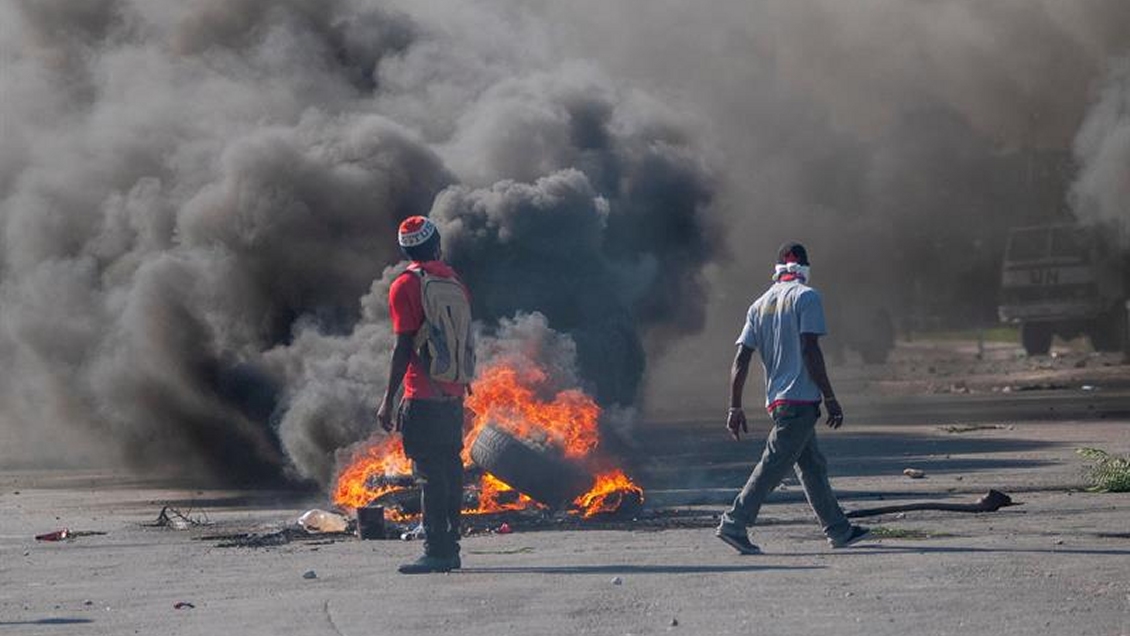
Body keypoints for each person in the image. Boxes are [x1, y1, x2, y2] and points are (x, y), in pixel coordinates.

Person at [716, 242, 870, 554]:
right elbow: (810, 349)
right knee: (773, 465)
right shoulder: (807, 297)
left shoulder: (758, 305)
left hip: (779, 402)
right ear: (805, 268)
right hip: (800, 402)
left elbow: (741, 360)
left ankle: (838, 530)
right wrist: (829, 396)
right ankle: (735, 522)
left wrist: (735, 406)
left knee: (812, 466)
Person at [377, 215, 474, 574]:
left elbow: (403, 347)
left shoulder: (405, 285)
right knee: (450, 470)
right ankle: (451, 548)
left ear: (406, 250)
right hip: (453, 394)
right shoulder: (455, 282)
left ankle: (436, 551)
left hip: (423, 396)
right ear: (437, 245)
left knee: (429, 474)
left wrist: (389, 398)